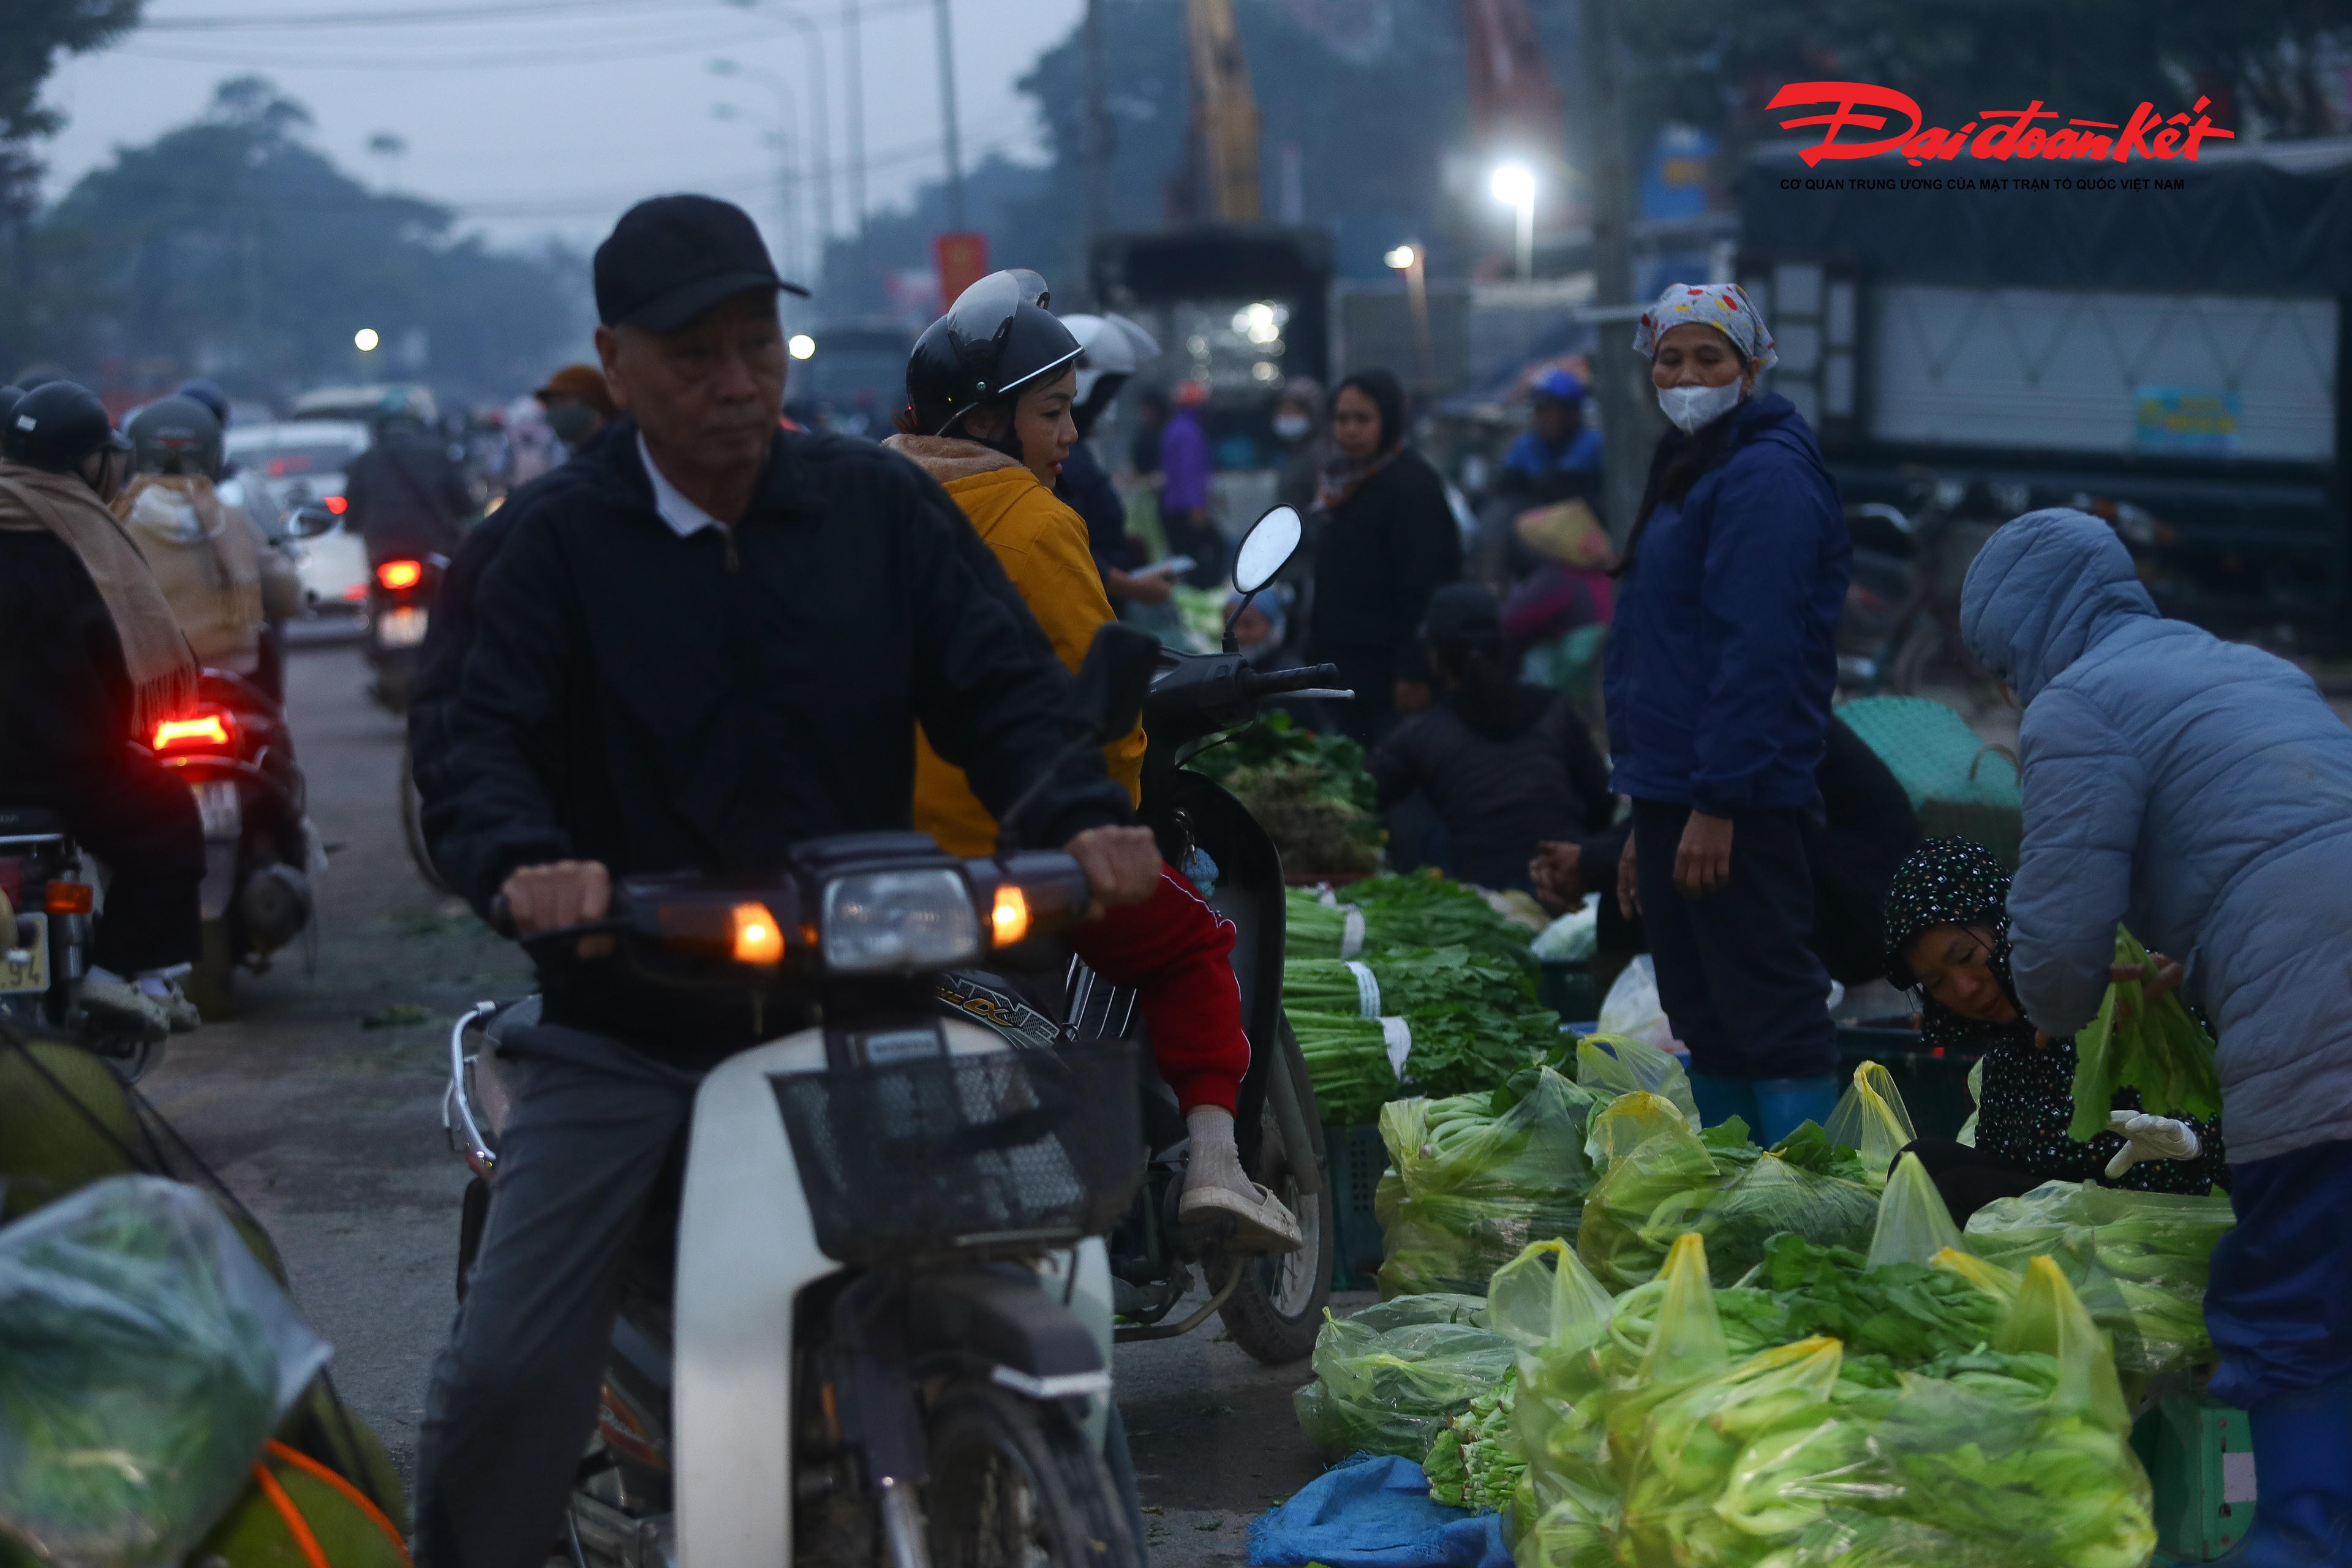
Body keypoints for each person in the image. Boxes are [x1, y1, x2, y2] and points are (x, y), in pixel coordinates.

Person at [410, 197, 1163, 1568]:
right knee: (508, 1379)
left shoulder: (877, 509)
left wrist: (1077, 817)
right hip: (633, 1022)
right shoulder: (547, 545)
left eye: (757, 342)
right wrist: (527, 868)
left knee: (1060, 1284)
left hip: (878, 996)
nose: (736, 378)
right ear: (615, 360)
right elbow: (474, 746)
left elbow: (1003, 688)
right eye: (694, 352)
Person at [1959, 506, 2352, 1564]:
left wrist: (2043, 1010)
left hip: (2319, 1017)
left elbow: (2058, 935)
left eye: (2001, 665)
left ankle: (2301, 1541)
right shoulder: (2253, 668)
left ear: (2026, 640)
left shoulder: (2079, 704)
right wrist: (2205, 949)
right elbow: (2281, 830)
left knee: (2294, 1288)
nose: (2007, 689)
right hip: (2315, 951)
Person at [886, 270, 1300, 1254]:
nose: (1070, 436)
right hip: (1018, 848)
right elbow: (1098, 703)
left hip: (881, 859)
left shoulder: (873, 503)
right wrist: (1116, 815)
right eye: (1052, 414)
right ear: (987, 423)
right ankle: (1214, 1163)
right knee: (1193, 942)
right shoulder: (1034, 522)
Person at [1604, 282, 1850, 1146]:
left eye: (1709, 357)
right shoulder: (1694, 465)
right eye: (1670, 358)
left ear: (1751, 370)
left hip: (1739, 797)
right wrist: (1649, 811)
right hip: (1679, 789)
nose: (1686, 374)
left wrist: (1718, 802)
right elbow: (1662, 651)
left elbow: (1757, 651)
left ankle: (1810, 1203)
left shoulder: (1764, 477)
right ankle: (1742, 1200)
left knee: (1768, 1006)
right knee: (1705, 1012)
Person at [0, 382, 205, 1037]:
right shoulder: (83, 539)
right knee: (171, 819)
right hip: (71, 769)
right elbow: (123, 660)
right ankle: (118, 973)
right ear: (83, 460)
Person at [1878, 836, 2226, 1218]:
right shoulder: (2008, 1047)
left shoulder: (2119, 989)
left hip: (2142, 1226)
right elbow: (2006, 1168)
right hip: (2058, 1223)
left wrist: (2193, 1144)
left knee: (1957, 1187)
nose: (1965, 989)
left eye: (1966, 956)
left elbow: (2217, 1139)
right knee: (1920, 1164)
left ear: (2007, 924)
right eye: (1937, 983)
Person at [1369, 582, 1612, 892]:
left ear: (1434, 654)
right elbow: (1600, 802)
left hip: (1488, 900)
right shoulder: (1555, 710)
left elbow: (1364, 795)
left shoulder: (1421, 734)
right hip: (1568, 886)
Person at [1304, 368, 1463, 747]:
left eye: (1363, 419)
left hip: (1391, 678)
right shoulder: (1343, 483)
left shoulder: (1411, 488)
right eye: (1342, 419)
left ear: (1389, 421)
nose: (1350, 430)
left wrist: (1414, 672)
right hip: (1347, 673)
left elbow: (1426, 589)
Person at [114, 396, 303, 689]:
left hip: (148, 681)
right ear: (214, 456)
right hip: (232, 674)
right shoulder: (230, 519)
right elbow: (285, 593)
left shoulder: (115, 523)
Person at [1057, 312, 1180, 610]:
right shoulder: (1059, 455)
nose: (1109, 406)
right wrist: (1136, 587)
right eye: (1107, 392)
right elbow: (1067, 551)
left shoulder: (1076, 449)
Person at [342, 388, 474, 567]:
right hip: (433, 548)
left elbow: (351, 515)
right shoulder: (438, 454)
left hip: (381, 550)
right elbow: (464, 505)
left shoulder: (365, 461)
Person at [1495, 368, 1604, 510]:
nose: (1541, 418)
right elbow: (1507, 485)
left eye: (1548, 410)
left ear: (1571, 413)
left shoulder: (1593, 444)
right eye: (1538, 409)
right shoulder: (1526, 444)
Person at [1156, 379, 1224, 585]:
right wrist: (1197, 507)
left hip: (1173, 506)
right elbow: (1190, 473)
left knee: (1185, 559)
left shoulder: (1175, 428)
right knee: (1211, 552)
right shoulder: (1189, 432)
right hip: (1185, 508)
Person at [1272, 374, 1330, 515]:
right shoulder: (1295, 452)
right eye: (1284, 407)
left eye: (1295, 409)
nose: (1286, 414)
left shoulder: (1320, 453)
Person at [532, 362, 617, 455]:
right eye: (549, 404)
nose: (553, 411)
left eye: (562, 400)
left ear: (593, 404)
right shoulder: (582, 457)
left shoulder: (621, 452)